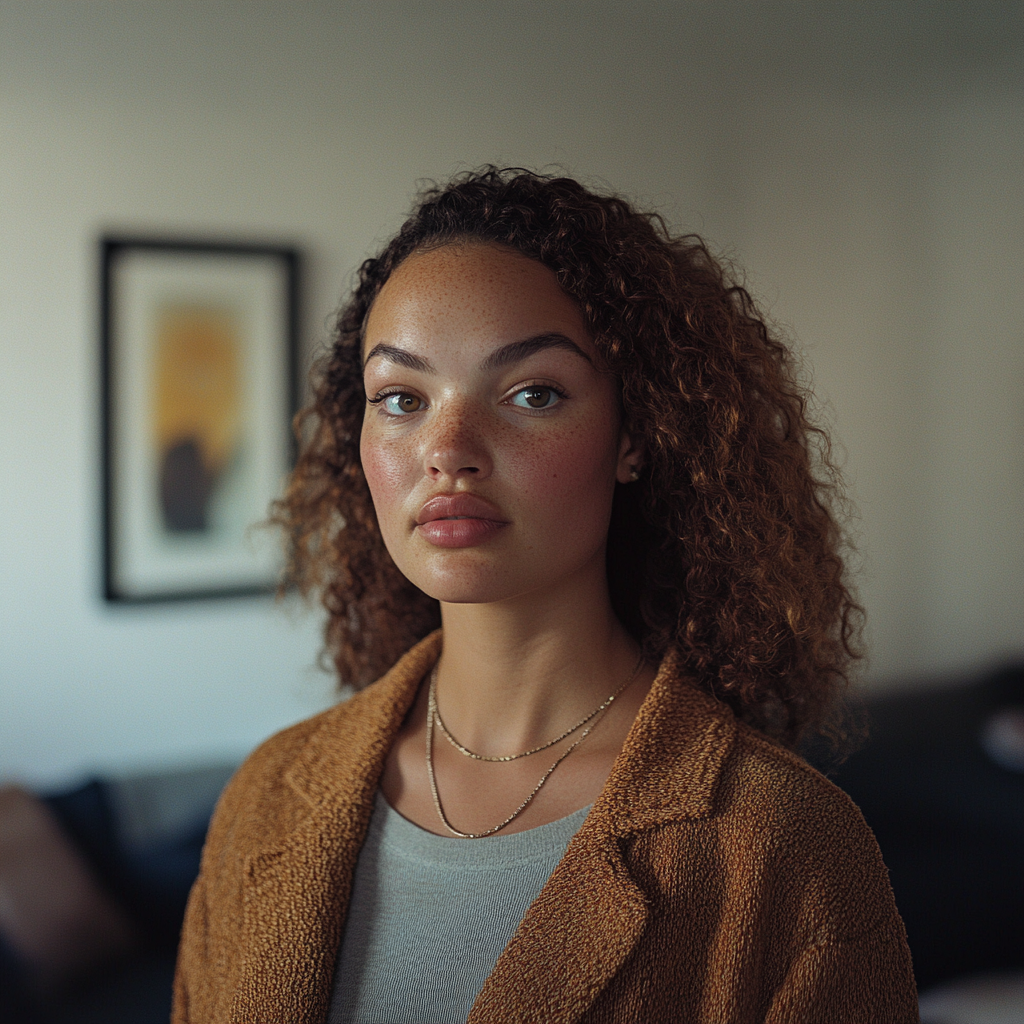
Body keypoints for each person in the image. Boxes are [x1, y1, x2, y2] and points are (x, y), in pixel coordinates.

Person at [172, 168, 919, 1023]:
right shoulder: (266, 798)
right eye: (402, 399)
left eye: (533, 393)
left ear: (637, 433)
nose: (447, 451)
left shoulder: (785, 849)